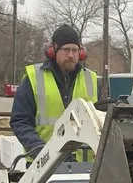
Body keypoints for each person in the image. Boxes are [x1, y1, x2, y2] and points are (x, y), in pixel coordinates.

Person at [10, 24, 98, 163]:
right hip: (41, 165)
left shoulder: (91, 79)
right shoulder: (34, 78)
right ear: (53, 51)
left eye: (75, 50)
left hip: (84, 166)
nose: (71, 55)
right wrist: (40, 150)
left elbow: (101, 120)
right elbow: (20, 121)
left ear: (81, 53)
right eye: (66, 49)